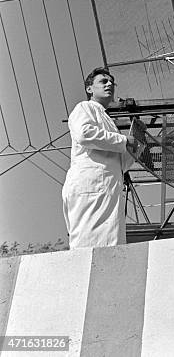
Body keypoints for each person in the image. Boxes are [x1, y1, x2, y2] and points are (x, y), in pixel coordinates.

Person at [62, 67, 141, 248]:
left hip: (108, 188)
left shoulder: (108, 121)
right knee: (87, 243)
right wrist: (123, 140)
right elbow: (84, 134)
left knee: (110, 244)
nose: (110, 84)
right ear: (90, 89)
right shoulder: (85, 107)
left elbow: (121, 164)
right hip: (91, 185)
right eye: (103, 81)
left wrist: (137, 145)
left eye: (111, 82)